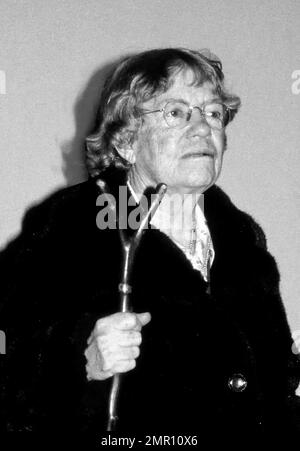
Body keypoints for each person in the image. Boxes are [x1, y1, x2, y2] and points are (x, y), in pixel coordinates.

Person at [0, 48, 299, 438]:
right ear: (126, 141)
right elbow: (12, 362)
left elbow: (271, 386)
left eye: (213, 113)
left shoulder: (242, 241)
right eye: (176, 113)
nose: (203, 128)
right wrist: (79, 360)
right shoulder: (70, 227)